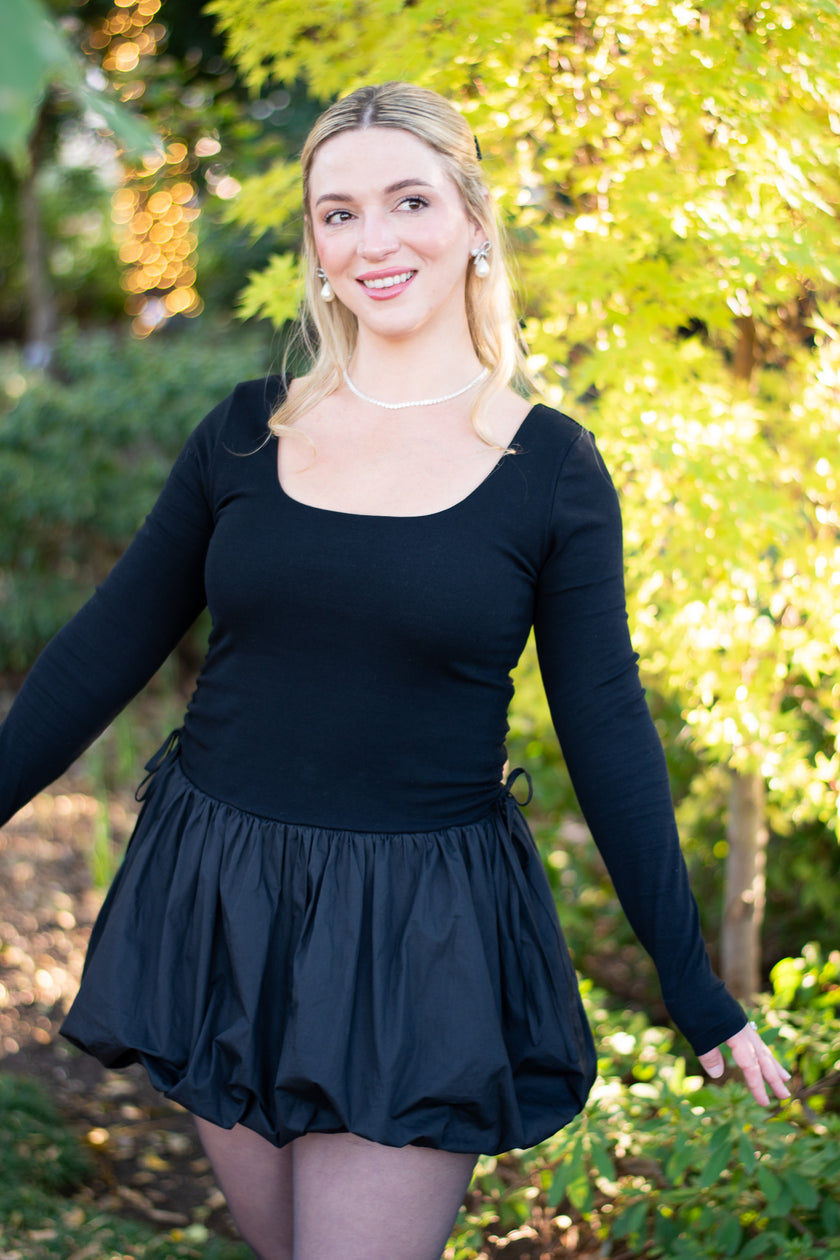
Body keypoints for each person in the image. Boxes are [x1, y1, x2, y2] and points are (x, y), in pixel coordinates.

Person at [0, 82, 791, 1260]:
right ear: (315, 246)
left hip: (414, 935)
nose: (375, 241)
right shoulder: (242, 431)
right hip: (221, 893)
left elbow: (607, 729)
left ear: (475, 220)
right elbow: (101, 653)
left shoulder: (551, 470)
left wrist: (694, 983)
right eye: (339, 213)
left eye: (409, 200)